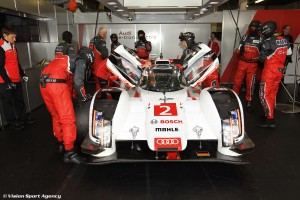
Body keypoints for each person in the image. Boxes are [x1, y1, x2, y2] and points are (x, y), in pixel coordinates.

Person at [40, 46, 94, 164]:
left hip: (43, 83)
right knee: (68, 119)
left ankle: (61, 143)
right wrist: (84, 98)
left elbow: (69, 83)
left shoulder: (65, 59)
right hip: (56, 85)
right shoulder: (81, 60)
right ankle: (70, 153)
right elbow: (78, 82)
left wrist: (73, 97)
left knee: (56, 116)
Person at [257, 21, 292, 128]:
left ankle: (270, 119)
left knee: (263, 94)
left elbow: (261, 59)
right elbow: (289, 53)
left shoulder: (267, 42)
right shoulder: (284, 39)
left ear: (268, 30)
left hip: (270, 71)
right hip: (280, 70)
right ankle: (268, 113)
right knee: (272, 94)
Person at [0, 26, 34, 131]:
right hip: (5, 82)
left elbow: (16, 63)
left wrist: (22, 74)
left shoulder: (13, 46)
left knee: (19, 100)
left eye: (15, 37)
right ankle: (13, 122)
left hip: (16, 79)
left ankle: (23, 118)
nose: (15, 39)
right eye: (12, 37)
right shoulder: (1, 47)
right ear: (5, 36)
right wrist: (8, 82)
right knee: (8, 103)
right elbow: (0, 67)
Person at [233, 20, 262, 111]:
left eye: (254, 27)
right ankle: (235, 98)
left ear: (258, 28)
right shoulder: (245, 37)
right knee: (237, 82)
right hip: (242, 63)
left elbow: (263, 53)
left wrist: (259, 58)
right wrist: (239, 50)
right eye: (251, 27)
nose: (252, 29)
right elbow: (238, 49)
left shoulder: (261, 39)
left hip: (253, 65)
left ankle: (249, 101)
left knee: (250, 84)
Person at [89, 27, 109, 92]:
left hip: (92, 63)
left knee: (97, 82)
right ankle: (103, 96)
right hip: (99, 64)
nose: (105, 35)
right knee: (103, 82)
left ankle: (98, 96)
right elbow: (105, 54)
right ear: (102, 33)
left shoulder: (92, 39)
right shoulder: (101, 41)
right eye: (105, 33)